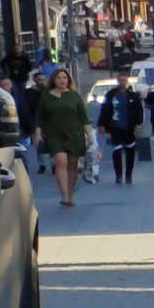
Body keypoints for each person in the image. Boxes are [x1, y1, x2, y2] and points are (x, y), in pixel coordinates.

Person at [32, 68, 88, 208]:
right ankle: (64, 195)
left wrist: (90, 135)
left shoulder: (74, 96)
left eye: (64, 78)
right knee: (61, 161)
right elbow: (39, 116)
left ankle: (71, 193)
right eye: (59, 78)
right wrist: (38, 133)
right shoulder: (46, 96)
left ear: (68, 80)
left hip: (74, 134)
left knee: (72, 165)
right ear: (53, 80)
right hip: (54, 134)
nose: (62, 80)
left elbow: (83, 118)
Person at [97, 70, 144, 185]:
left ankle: (129, 175)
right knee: (116, 151)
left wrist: (138, 124)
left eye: (124, 80)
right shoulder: (111, 94)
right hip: (115, 127)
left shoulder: (133, 95)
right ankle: (118, 175)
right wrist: (101, 124)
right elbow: (105, 109)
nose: (122, 82)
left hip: (129, 126)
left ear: (127, 81)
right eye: (120, 80)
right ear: (117, 80)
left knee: (130, 151)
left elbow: (139, 111)